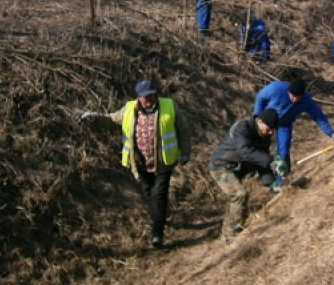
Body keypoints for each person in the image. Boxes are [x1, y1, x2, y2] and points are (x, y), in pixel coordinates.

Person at [77, 80, 191, 249]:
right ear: (139, 97)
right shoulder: (129, 109)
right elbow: (111, 120)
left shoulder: (169, 106)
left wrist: (185, 152)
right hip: (140, 164)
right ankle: (160, 216)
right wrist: (94, 118)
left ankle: (157, 234)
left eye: (153, 95)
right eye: (146, 97)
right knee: (149, 194)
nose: (150, 99)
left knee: (159, 195)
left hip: (164, 162)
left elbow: (183, 129)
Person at [209, 109, 286, 244]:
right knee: (239, 194)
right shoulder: (242, 127)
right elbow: (246, 152)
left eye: (273, 130)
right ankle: (232, 236)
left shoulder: (264, 136)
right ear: (259, 121)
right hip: (221, 165)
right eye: (269, 129)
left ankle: (231, 230)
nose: (271, 133)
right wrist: (272, 160)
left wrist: (271, 183)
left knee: (238, 199)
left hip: (237, 168)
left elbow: (261, 161)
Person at [253, 79, 334, 183]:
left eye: (298, 97)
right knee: (258, 148)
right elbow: (260, 97)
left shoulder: (306, 100)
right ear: (288, 91)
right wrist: (257, 117)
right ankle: (257, 174)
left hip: (284, 125)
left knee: (283, 152)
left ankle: (282, 181)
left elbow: (318, 116)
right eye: (292, 96)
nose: (295, 99)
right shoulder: (276, 88)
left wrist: (331, 132)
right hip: (266, 122)